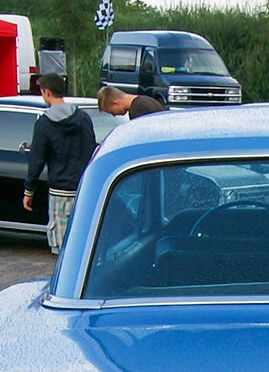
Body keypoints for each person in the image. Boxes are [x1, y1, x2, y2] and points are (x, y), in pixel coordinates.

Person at [24, 73, 97, 254]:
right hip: (83, 190)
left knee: (61, 249)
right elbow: (92, 152)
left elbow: (36, 160)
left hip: (59, 193)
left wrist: (28, 191)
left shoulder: (44, 123)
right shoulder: (83, 118)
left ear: (47, 92)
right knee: (84, 247)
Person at [97, 85, 165, 120]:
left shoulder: (136, 109)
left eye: (112, 112)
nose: (114, 115)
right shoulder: (146, 99)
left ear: (115, 103)